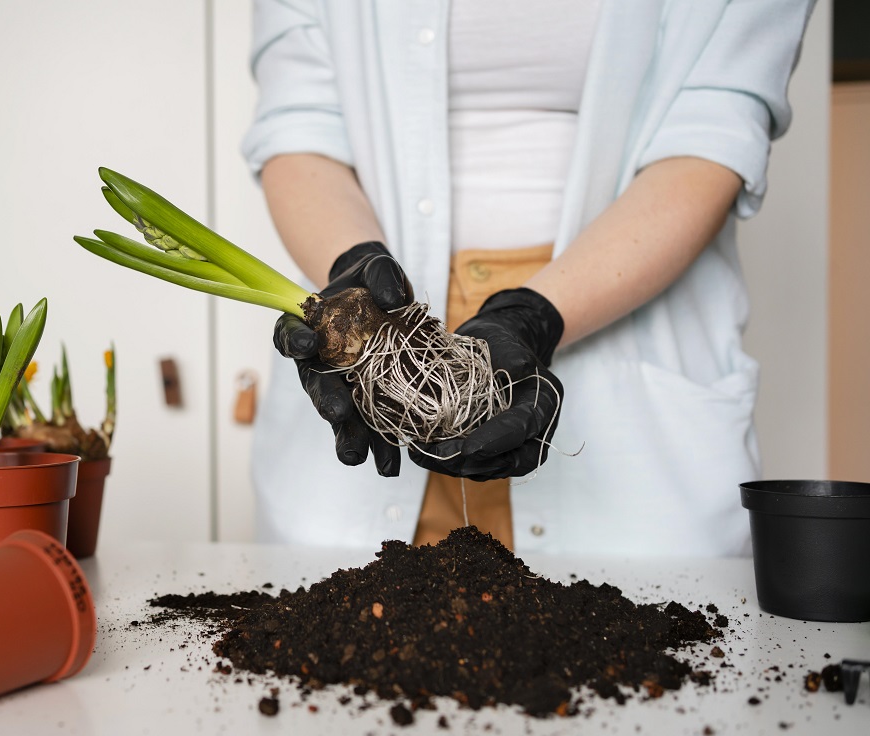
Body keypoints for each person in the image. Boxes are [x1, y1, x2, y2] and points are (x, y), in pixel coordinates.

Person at [242, 0, 816, 556]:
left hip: (608, 293)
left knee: (610, 635)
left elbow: (710, 135)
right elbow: (300, 126)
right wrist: (353, 273)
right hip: (388, 316)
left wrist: (533, 313)